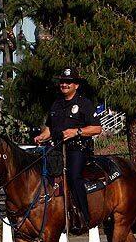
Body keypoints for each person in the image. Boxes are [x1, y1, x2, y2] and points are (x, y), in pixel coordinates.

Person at [34, 68, 102, 231]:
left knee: (73, 177)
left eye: (68, 82)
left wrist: (76, 131)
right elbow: (50, 128)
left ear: (76, 85)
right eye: (62, 82)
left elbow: (97, 129)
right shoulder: (56, 104)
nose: (64, 85)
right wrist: (42, 136)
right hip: (57, 150)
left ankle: (84, 216)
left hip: (78, 149)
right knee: (42, 177)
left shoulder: (84, 104)